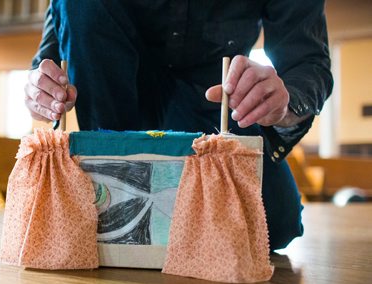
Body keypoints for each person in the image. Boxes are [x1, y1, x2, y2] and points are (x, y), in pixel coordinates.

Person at [24, 0, 333, 251]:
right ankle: (113, 177)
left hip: (217, 97)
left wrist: (284, 100)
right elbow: (53, 46)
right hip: (115, 98)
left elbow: (308, 63)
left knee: (273, 222)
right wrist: (41, 84)